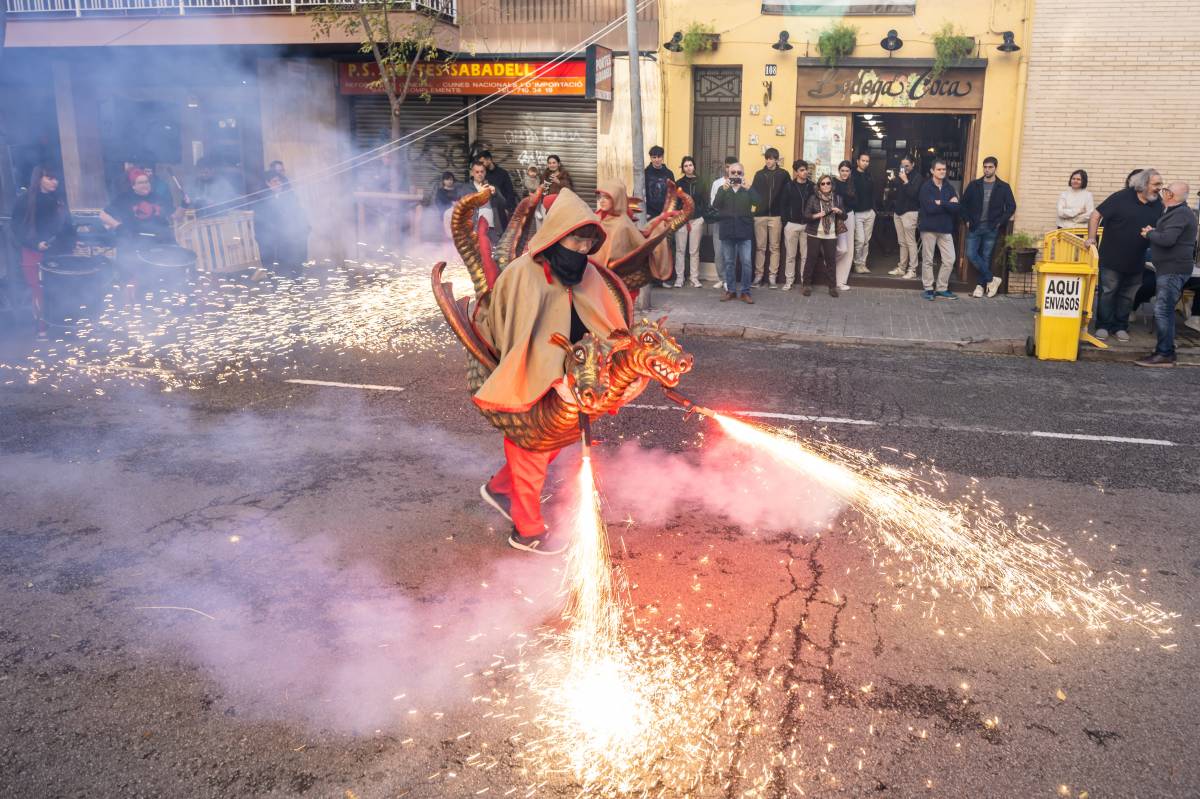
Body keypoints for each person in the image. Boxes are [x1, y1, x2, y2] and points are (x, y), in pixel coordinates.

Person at [474, 189, 628, 554]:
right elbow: (512, 333)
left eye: (589, 244)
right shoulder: (522, 274)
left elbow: (608, 323)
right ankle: (526, 531)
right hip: (531, 373)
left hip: (576, 377)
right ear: (559, 234)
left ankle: (500, 488)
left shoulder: (589, 274)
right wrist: (547, 373)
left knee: (555, 440)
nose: (582, 250)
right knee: (529, 445)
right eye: (576, 240)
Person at [1086, 168, 1164, 342]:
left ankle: (1120, 326)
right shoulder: (1121, 197)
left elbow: (1161, 226)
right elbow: (1095, 215)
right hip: (1111, 257)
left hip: (1137, 259)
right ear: (1143, 184)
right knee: (1108, 292)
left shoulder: (1158, 203)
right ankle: (1103, 326)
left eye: (1161, 184)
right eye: (1156, 184)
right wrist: (1091, 238)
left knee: (1128, 296)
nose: (1160, 188)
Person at [1135, 181, 1197, 367]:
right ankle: (1165, 350)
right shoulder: (1176, 212)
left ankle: (1165, 354)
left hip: (1173, 269)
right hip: (1169, 268)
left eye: (1165, 190)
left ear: (1170, 195)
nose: (1162, 192)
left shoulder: (1181, 214)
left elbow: (1168, 239)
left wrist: (1150, 234)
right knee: (1165, 310)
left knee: (1163, 311)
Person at [11, 165, 76, 339]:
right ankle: (42, 327)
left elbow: (67, 226)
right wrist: (35, 243)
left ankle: (63, 325)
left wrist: (72, 243)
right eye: (50, 178)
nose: (54, 181)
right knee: (38, 291)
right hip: (34, 253)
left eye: (56, 178)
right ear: (39, 178)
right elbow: (17, 228)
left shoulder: (59, 200)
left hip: (59, 252)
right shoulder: (24, 200)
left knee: (61, 289)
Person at [961, 156, 1017, 298]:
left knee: (986, 257)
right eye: (985, 167)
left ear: (995, 168)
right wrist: (967, 220)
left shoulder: (1003, 187)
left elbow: (1011, 206)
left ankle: (980, 286)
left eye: (990, 167)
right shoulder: (974, 185)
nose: (987, 169)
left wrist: (1000, 222)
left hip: (991, 227)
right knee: (971, 254)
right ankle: (992, 279)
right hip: (975, 226)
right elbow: (963, 204)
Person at [711, 162, 759, 304]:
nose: (736, 175)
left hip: (744, 232)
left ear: (743, 174)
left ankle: (745, 292)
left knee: (747, 263)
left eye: (739, 173)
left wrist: (749, 188)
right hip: (727, 232)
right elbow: (715, 206)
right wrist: (724, 190)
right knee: (729, 263)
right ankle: (730, 290)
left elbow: (758, 203)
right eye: (733, 173)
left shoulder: (747, 189)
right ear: (729, 174)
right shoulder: (722, 188)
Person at [252, 170, 311, 277]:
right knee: (276, 271)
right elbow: (261, 222)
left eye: (280, 181)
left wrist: (304, 229)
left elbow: (298, 213)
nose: (279, 183)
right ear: (268, 183)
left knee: (295, 267)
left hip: (290, 240)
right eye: (275, 181)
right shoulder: (261, 200)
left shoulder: (289, 196)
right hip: (272, 241)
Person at [917, 158, 960, 301]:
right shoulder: (926, 187)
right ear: (932, 171)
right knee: (928, 260)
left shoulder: (949, 187)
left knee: (950, 259)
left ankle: (941, 288)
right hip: (929, 228)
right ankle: (929, 289)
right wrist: (948, 204)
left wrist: (940, 202)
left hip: (945, 228)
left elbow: (956, 208)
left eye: (944, 169)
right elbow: (929, 208)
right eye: (939, 169)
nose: (942, 172)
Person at [748, 147, 789, 288]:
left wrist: (784, 214)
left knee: (775, 247)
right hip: (760, 216)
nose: (768, 161)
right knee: (760, 247)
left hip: (776, 216)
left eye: (771, 158)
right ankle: (758, 276)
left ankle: (773, 277)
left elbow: (786, 195)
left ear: (776, 159)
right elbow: (753, 196)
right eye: (766, 158)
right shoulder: (759, 174)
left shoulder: (784, 174)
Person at [800, 174, 845, 297]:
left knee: (831, 261)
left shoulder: (837, 199)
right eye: (823, 184)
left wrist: (839, 211)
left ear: (832, 185)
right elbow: (806, 215)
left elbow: (844, 216)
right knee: (811, 259)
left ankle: (832, 287)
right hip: (815, 233)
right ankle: (806, 285)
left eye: (828, 183)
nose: (826, 186)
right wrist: (817, 215)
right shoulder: (813, 198)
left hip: (831, 234)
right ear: (819, 186)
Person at [672, 156, 708, 288]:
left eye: (690, 165)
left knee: (694, 251)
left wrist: (702, 218)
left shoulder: (702, 182)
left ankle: (694, 278)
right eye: (685, 165)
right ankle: (679, 278)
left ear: (694, 166)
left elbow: (706, 201)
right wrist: (677, 216)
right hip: (681, 220)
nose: (688, 167)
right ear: (683, 168)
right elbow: (675, 202)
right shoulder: (679, 183)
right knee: (680, 250)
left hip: (696, 220)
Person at [780, 159, 814, 291]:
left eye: (806, 169)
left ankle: (804, 282)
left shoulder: (812, 186)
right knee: (790, 255)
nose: (805, 172)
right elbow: (783, 205)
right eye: (802, 170)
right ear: (796, 172)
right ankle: (789, 281)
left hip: (807, 225)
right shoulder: (789, 186)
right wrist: (786, 222)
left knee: (805, 256)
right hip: (792, 225)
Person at [888, 155, 922, 278]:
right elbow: (898, 190)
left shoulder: (918, 177)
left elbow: (913, 194)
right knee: (902, 242)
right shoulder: (901, 175)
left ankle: (912, 270)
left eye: (907, 165)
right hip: (898, 211)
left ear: (913, 164)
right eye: (902, 165)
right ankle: (902, 268)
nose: (904, 168)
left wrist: (905, 180)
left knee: (910, 242)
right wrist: (893, 180)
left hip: (910, 212)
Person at [708, 156, 739, 288]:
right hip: (720, 222)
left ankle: (729, 279)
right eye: (727, 167)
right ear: (725, 168)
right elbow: (713, 203)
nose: (729, 169)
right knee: (719, 252)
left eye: (732, 167)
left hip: (734, 223)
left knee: (732, 253)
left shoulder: (740, 182)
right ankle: (722, 278)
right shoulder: (717, 183)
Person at [850, 151, 876, 275]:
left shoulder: (869, 175)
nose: (865, 163)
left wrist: (874, 209)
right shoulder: (852, 175)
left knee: (866, 240)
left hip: (869, 212)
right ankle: (857, 263)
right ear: (858, 161)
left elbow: (873, 193)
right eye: (863, 160)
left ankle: (863, 264)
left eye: (867, 161)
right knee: (860, 240)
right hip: (857, 213)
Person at [832, 160, 856, 291]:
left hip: (850, 216)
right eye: (842, 170)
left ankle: (841, 281)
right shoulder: (833, 182)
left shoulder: (852, 184)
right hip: (837, 217)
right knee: (842, 249)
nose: (845, 173)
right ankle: (829, 261)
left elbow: (854, 202)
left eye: (847, 171)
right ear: (839, 171)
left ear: (850, 172)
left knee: (849, 250)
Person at [477, 150, 516, 230]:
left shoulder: (503, 173)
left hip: (502, 210)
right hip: (487, 210)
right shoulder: (482, 174)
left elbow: (510, 191)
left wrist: (508, 208)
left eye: (482, 162)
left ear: (489, 160)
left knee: (503, 234)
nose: (481, 165)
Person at [643, 145, 675, 220]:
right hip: (649, 214)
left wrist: (671, 212)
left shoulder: (669, 174)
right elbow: (638, 193)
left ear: (662, 157)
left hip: (666, 213)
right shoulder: (645, 173)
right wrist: (643, 213)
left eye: (659, 157)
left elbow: (673, 194)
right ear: (650, 158)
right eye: (654, 157)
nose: (657, 160)